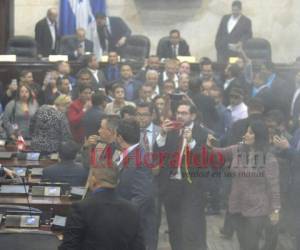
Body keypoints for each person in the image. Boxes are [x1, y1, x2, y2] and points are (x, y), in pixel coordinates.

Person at [207, 120, 280, 250]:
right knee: (243, 243)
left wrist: (275, 210)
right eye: (246, 132)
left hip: (257, 210)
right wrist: (205, 144)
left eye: (250, 133)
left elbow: (274, 188)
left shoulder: (269, 159)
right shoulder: (238, 150)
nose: (246, 135)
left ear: (259, 136)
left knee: (250, 245)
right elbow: (217, 152)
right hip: (237, 206)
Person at [154, 100, 208, 250]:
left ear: (193, 115)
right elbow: (158, 154)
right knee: (174, 226)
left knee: (191, 227)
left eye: (184, 113)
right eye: (178, 113)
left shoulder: (202, 133)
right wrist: (162, 134)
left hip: (191, 187)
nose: (180, 116)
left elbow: (203, 159)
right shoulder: (171, 130)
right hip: (172, 186)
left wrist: (191, 141)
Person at [59, 161, 145, 250]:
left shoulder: (80, 208)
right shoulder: (133, 210)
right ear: (118, 181)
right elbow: (139, 246)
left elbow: (69, 246)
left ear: (93, 180)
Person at [115, 118, 156, 250]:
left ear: (119, 137)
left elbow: (143, 196)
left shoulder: (140, 159)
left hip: (133, 226)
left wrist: (124, 217)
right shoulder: (129, 154)